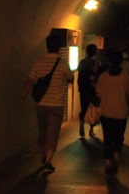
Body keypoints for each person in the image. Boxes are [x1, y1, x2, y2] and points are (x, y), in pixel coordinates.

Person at [21, 33, 73, 173]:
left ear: (47, 46)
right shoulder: (62, 64)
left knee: (43, 131)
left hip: (41, 103)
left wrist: (23, 96)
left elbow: (30, 81)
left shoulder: (38, 63)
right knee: (53, 133)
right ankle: (48, 161)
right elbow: (70, 78)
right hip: (56, 104)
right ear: (58, 48)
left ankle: (43, 155)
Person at [95, 49, 129, 175]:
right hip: (121, 112)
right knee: (118, 137)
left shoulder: (103, 77)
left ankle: (107, 162)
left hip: (106, 113)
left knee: (107, 138)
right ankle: (116, 155)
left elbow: (99, 94)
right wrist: (127, 105)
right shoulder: (125, 77)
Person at [77, 43, 100, 139]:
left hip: (83, 87)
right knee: (92, 108)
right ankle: (91, 129)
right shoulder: (95, 63)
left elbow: (79, 74)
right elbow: (96, 76)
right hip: (92, 88)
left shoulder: (82, 62)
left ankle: (81, 124)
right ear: (95, 52)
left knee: (84, 106)